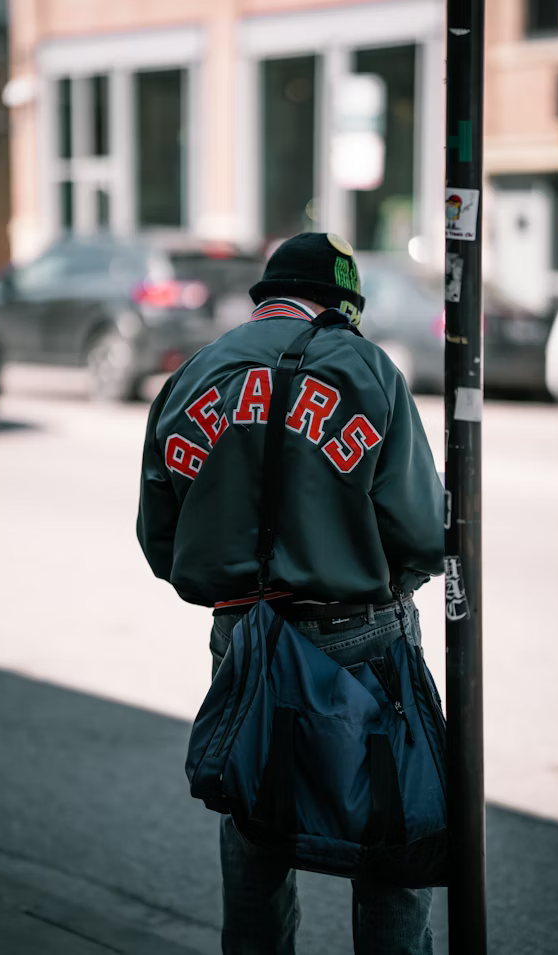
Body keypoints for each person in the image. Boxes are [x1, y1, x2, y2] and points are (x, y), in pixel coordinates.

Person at [137, 232, 444, 955]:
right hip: (360, 635)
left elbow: (160, 538)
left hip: (243, 633)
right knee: (393, 832)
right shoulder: (367, 367)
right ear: (343, 305)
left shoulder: (195, 372)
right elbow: (425, 535)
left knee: (258, 820)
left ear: (268, 296)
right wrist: (384, 584)